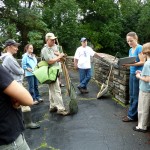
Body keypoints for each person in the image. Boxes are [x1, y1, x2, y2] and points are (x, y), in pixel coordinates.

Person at [0, 39, 40, 129]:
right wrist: (22, 70)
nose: (17, 48)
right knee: (25, 103)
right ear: (9, 47)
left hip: (14, 83)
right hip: (16, 84)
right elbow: (19, 71)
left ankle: (22, 122)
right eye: (15, 46)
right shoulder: (9, 58)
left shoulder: (7, 58)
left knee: (16, 104)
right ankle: (28, 123)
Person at [0, 65, 33, 150]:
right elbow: (28, 100)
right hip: (7, 140)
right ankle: (29, 122)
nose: (17, 50)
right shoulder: (8, 59)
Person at [41, 32, 69, 116]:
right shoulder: (45, 50)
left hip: (56, 71)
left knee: (52, 89)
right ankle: (60, 109)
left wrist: (61, 55)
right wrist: (59, 57)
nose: (54, 41)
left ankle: (52, 106)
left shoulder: (55, 48)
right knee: (57, 90)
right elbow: (49, 61)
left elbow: (63, 59)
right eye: (52, 40)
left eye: (54, 40)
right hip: (50, 72)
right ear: (47, 40)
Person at [122, 32, 145, 122]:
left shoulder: (139, 48)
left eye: (131, 41)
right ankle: (132, 113)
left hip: (137, 74)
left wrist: (128, 64)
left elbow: (142, 61)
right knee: (131, 94)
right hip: (132, 73)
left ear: (136, 39)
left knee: (135, 95)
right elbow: (130, 60)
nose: (129, 43)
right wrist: (126, 63)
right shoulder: (130, 49)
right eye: (128, 41)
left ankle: (131, 116)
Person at [132, 42, 150, 132]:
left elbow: (147, 79)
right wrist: (141, 72)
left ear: (145, 52)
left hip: (145, 89)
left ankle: (142, 126)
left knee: (143, 108)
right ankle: (147, 124)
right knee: (147, 107)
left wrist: (139, 76)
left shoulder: (147, 64)